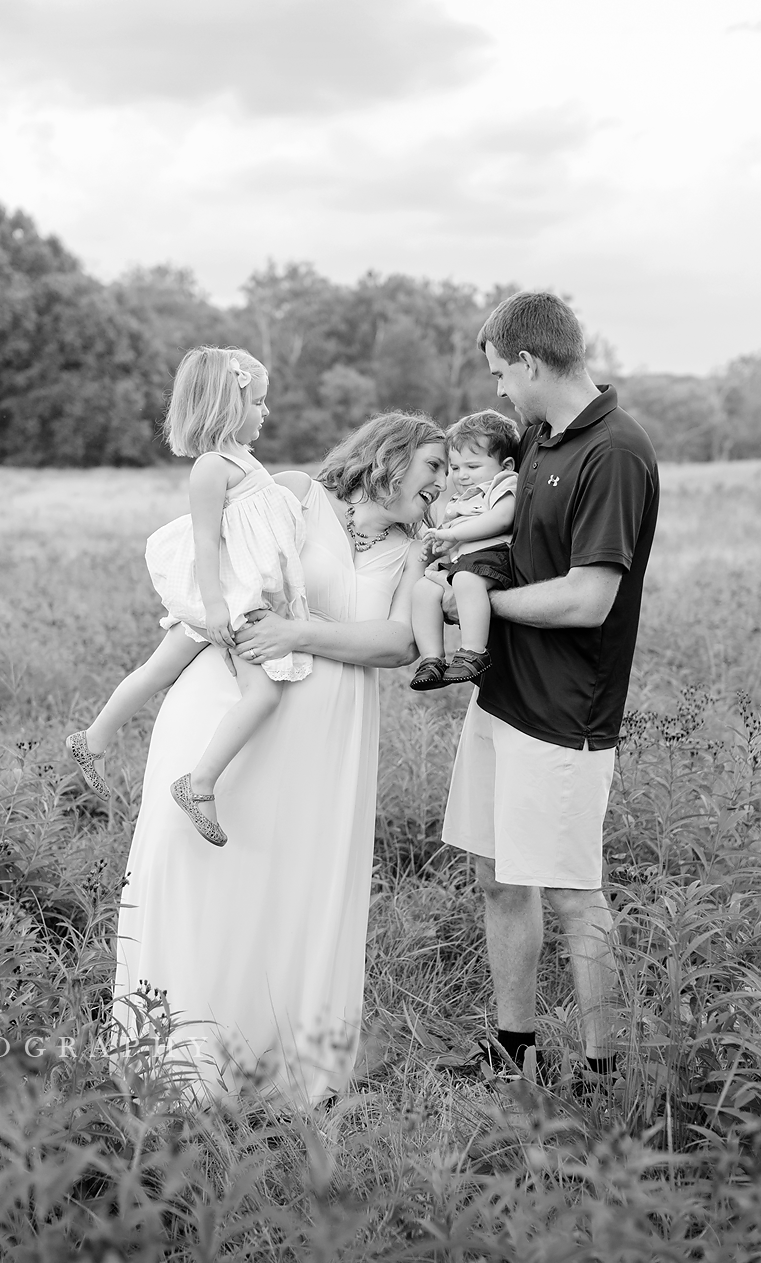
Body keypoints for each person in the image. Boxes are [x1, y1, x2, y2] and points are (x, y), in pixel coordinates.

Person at [109, 412, 449, 1106]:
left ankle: (287, 1066)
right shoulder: (295, 493)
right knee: (224, 875)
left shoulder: (418, 546)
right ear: (393, 455)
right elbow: (221, 568)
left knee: (304, 885)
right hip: (253, 709)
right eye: (434, 466)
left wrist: (300, 629)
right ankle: (190, 1059)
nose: (441, 483)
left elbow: (397, 643)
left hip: (335, 734)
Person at [435, 291, 659, 1090]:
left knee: (573, 896)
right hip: (502, 699)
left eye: (502, 373)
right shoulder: (535, 439)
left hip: (566, 716)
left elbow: (587, 598)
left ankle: (602, 1071)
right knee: (497, 878)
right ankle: (512, 1048)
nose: (499, 390)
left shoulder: (616, 453)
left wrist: (482, 606)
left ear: (530, 362)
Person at [66, 346, 309, 846]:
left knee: (159, 669)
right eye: (258, 402)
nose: (266, 412)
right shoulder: (210, 467)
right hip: (227, 600)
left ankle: (91, 740)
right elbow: (205, 540)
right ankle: (196, 784)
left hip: (238, 593)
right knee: (261, 693)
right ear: (228, 405)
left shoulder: (242, 459)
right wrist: (218, 607)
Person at [408, 410, 522, 692]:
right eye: (456, 469)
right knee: (424, 589)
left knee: (465, 580)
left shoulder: (504, 483)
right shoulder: (460, 500)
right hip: (462, 562)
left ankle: (473, 650)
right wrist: (439, 546)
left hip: (493, 556)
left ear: (505, 465)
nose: (462, 476)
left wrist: (453, 533)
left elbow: (502, 518)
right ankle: (432, 659)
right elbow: (453, 538)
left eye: (472, 467)